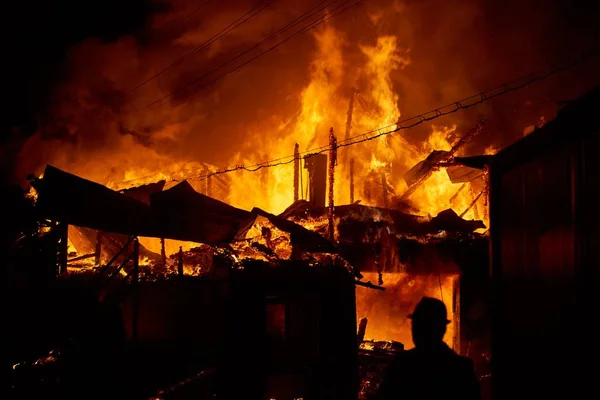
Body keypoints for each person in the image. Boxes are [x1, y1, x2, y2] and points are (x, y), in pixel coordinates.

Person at [377, 297, 482, 400]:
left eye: (420, 325)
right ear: (443, 328)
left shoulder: (401, 366)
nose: (415, 330)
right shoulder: (462, 369)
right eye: (415, 325)